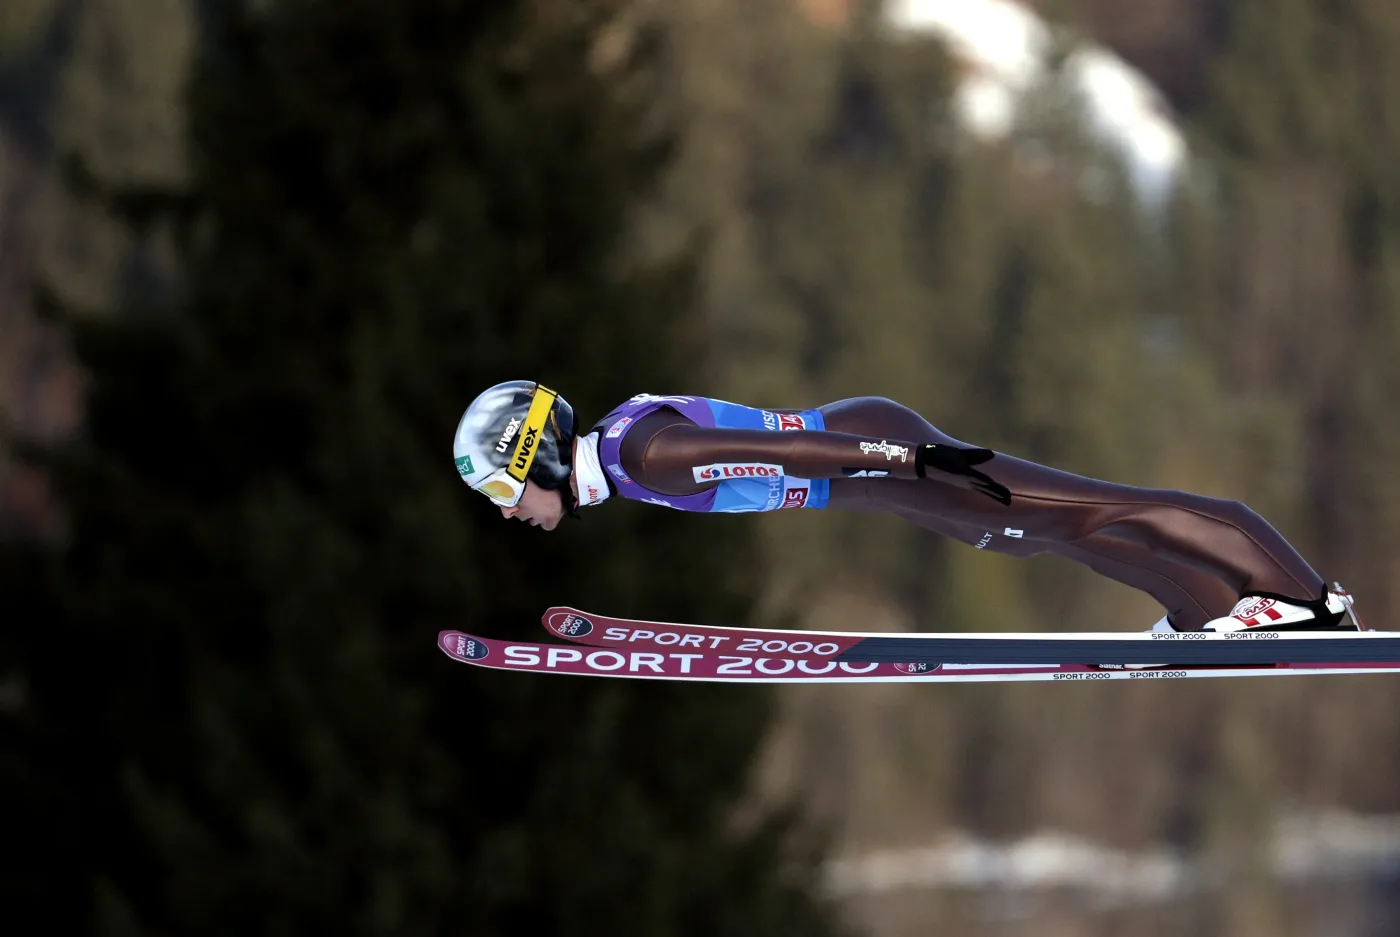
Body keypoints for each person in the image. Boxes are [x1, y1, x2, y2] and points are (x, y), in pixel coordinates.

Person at [452, 380, 1364, 633]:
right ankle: (1212, 610)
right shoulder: (624, 453)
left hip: (872, 453)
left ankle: (1306, 603)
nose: (505, 510)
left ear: (527, 458)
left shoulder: (645, 451)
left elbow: (789, 449)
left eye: (499, 490)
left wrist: (913, 455)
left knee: (1079, 507)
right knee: (1039, 535)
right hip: (875, 476)